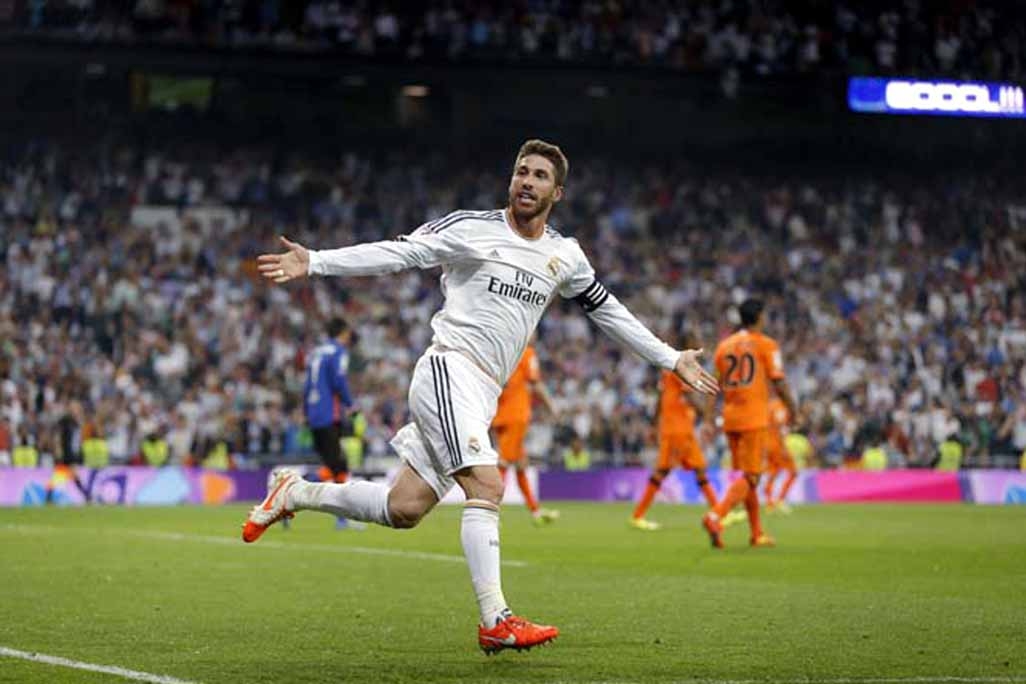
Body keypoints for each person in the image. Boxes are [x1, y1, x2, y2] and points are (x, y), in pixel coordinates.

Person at [245, 139, 719, 653]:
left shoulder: (565, 255)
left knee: (403, 508)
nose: (527, 182)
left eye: (539, 175)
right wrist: (315, 262)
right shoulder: (471, 228)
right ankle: (497, 618)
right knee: (487, 486)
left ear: (556, 192)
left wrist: (670, 358)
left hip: (483, 391)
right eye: (521, 171)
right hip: (449, 370)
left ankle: (294, 492)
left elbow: (608, 311)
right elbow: (398, 253)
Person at [701, 298, 797, 549]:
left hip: (731, 419)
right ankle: (715, 516)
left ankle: (756, 534)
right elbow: (779, 381)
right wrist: (793, 409)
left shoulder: (724, 346)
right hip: (754, 418)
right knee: (753, 476)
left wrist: (709, 418)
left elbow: (713, 386)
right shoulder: (766, 344)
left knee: (747, 477)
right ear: (759, 317)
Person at [630, 333, 718, 531]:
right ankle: (637, 515)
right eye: (695, 340)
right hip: (677, 428)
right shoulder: (681, 366)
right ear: (687, 343)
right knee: (663, 471)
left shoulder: (668, 366)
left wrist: (654, 425)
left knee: (699, 470)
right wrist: (708, 416)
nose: (698, 343)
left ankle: (719, 511)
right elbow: (691, 400)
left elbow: (661, 398)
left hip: (680, 427)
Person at [491, 343, 560, 525]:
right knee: (504, 463)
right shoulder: (527, 353)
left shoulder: (503, 351)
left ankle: (535, 512)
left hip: (500, 413)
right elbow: (535, 383)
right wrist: (551, 406)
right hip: (516, 415)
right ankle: (488, 512)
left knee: (521, 463)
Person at [303, 317, 357, 529]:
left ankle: (342, 518)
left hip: (315, 415)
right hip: (328, 414)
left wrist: (306, 412)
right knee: (336, 466)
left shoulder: (315, 353)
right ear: (343, 332)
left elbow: (307, 385)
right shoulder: (338, 351)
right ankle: (288, 493)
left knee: (336, 464)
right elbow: (338, 380)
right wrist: (350, 404)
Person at [762, 393, 797, 513]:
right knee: (793, 472)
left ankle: (769, 502)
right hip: (777, 445)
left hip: (768, 444)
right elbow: (781, 427)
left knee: (773, 472)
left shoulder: (769, 405)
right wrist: (783, 447)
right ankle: (780, 500)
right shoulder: (780, 406)